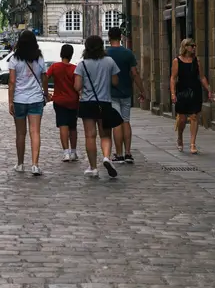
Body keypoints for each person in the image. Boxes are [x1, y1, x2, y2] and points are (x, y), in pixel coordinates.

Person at [74, 35, 121, 179]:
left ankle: (93, 167)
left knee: (90, 135)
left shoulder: (82, 65)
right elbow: (115, 82)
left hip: (88, 103)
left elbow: (77, 86)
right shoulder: (109, 61)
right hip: (104, 102)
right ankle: (106, 157)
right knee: (105, 134)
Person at [8, 30, 47, 176]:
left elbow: (12, 82)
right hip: (36, 99)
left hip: (19, 99)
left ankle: (20, 164)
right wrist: (44, 92)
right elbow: (44, 77)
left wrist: (10, 101)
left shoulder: (14, 59)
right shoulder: (39, 58)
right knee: (35, 132)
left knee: (20, 133)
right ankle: (35, 164)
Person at [106, 27, 147, 164]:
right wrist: (142, 90)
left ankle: (119, 154)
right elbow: (134, 73)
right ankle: (128, 153)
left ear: (109, 37)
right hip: (126, 92)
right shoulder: (128, 53)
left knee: (116, 123)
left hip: (111, 93)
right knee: (126, 120)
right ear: (121, 37)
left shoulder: (106, 54)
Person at [171, 38, 213, 154]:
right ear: (185, 47)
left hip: (195, 91)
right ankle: (180, 137)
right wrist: (173, 93)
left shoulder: (196, 61)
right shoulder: (177, 61)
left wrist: (208, 89)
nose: (194, 48)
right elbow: (173, 78)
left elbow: (202, 77)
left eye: (194, 46)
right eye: (192, 46)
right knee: (182, 119)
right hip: (182, 91)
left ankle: (193, 143)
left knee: (194, 116)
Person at [46, 44, 79, 162]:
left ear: (61, 54)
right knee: (73, 127)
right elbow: (78, 85)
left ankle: (66, 152)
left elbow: (46, 76)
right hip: (73, 100)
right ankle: (74, 152)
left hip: (59, 100)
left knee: (63, 125)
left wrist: (46, 92)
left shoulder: (55, 66)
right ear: (71, 55)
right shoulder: (75, 68)